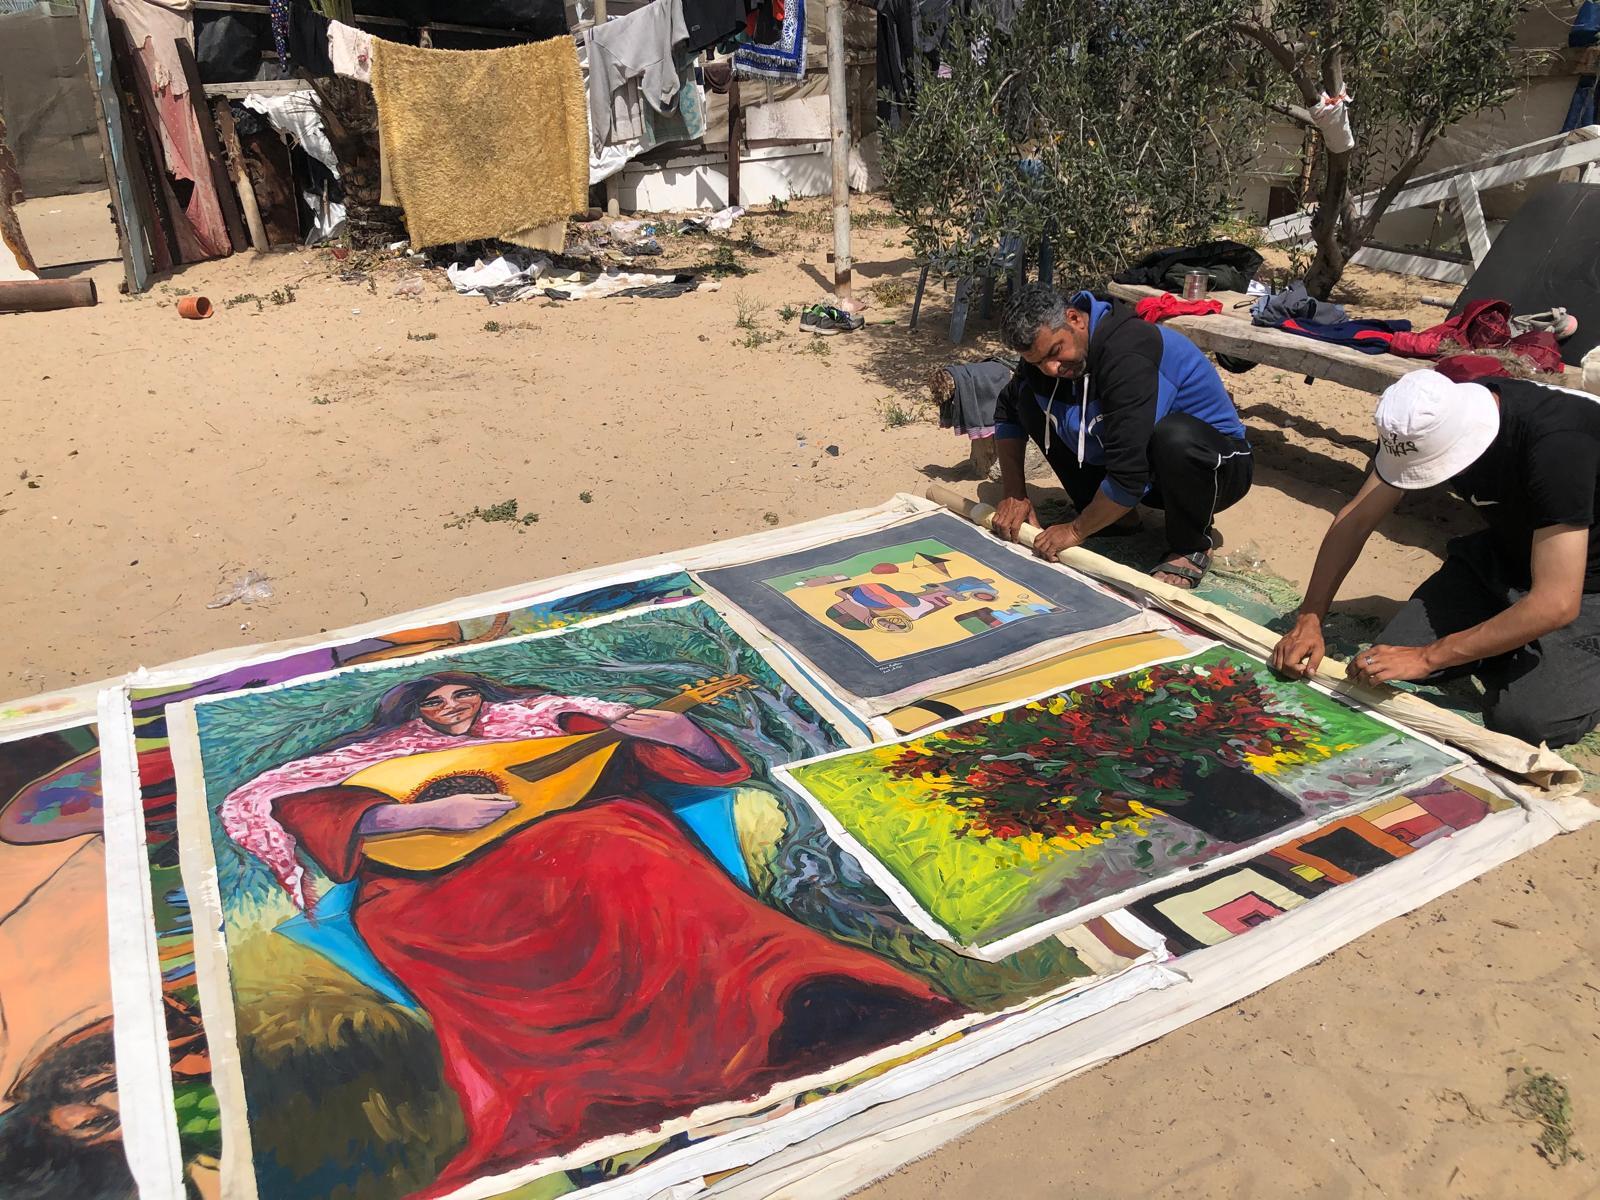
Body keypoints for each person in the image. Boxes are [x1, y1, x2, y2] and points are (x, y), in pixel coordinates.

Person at [221, 671, 958, 1196]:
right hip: (436, 890)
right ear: (408, 711)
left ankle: (765, 1030)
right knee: (452, 924)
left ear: (487, 693)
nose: (452, 706)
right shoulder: (362, 762)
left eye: (462, 692)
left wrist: (677, 731)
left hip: (592, 843)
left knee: (627, 857)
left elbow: (676, 763)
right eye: (433, 699)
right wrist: (412, 817)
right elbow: (285, 807)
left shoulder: (554, 721)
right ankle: (604, 1096)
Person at [1272, 370, 1600, 748]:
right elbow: (1358, 517)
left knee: (1525, 720)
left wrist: (1430, 656)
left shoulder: (1559, 446)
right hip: (1506, 557)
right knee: (1385, 662)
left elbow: (1557, 602)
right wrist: (1309, 618)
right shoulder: (1418, 418)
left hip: (1587, 585)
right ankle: (1507, 640)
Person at [989, 285, 1253, 587]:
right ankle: (1117, 518)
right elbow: (1008, 410)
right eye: (1038, 362)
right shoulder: (1048, 357)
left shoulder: (1129, 352)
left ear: (1075, 319)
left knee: (1174, 436)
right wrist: (1014, 493)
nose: (1051, 368)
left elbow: (1129, 477)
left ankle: (1190, 544)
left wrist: (1075, 531)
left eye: (1055, 352)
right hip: (1149, 469)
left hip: (1217, 468)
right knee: (1029, 400)